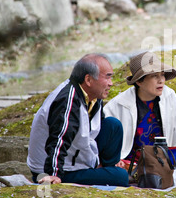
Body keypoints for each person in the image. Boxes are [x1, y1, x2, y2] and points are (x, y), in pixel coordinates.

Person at [27, 53, 129, 187]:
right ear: (88, 80)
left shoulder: (93, 96)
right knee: (120, 177)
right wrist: (53, 174)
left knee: (113, 125)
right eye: (107, 77)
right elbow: (59, 138)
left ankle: (105, 169)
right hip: (55, 169)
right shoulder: (67, 100)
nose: (111, 83)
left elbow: (97, 126)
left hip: (77, 158)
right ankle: (107, 173)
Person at [103, 51, 176, 165]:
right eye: (154, 76)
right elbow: (106, 145)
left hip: (164, 164)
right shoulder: (117, 106)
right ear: (139, 81)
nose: (161, 80)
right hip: (130, 165)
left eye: (162, 75)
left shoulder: (170, 96)